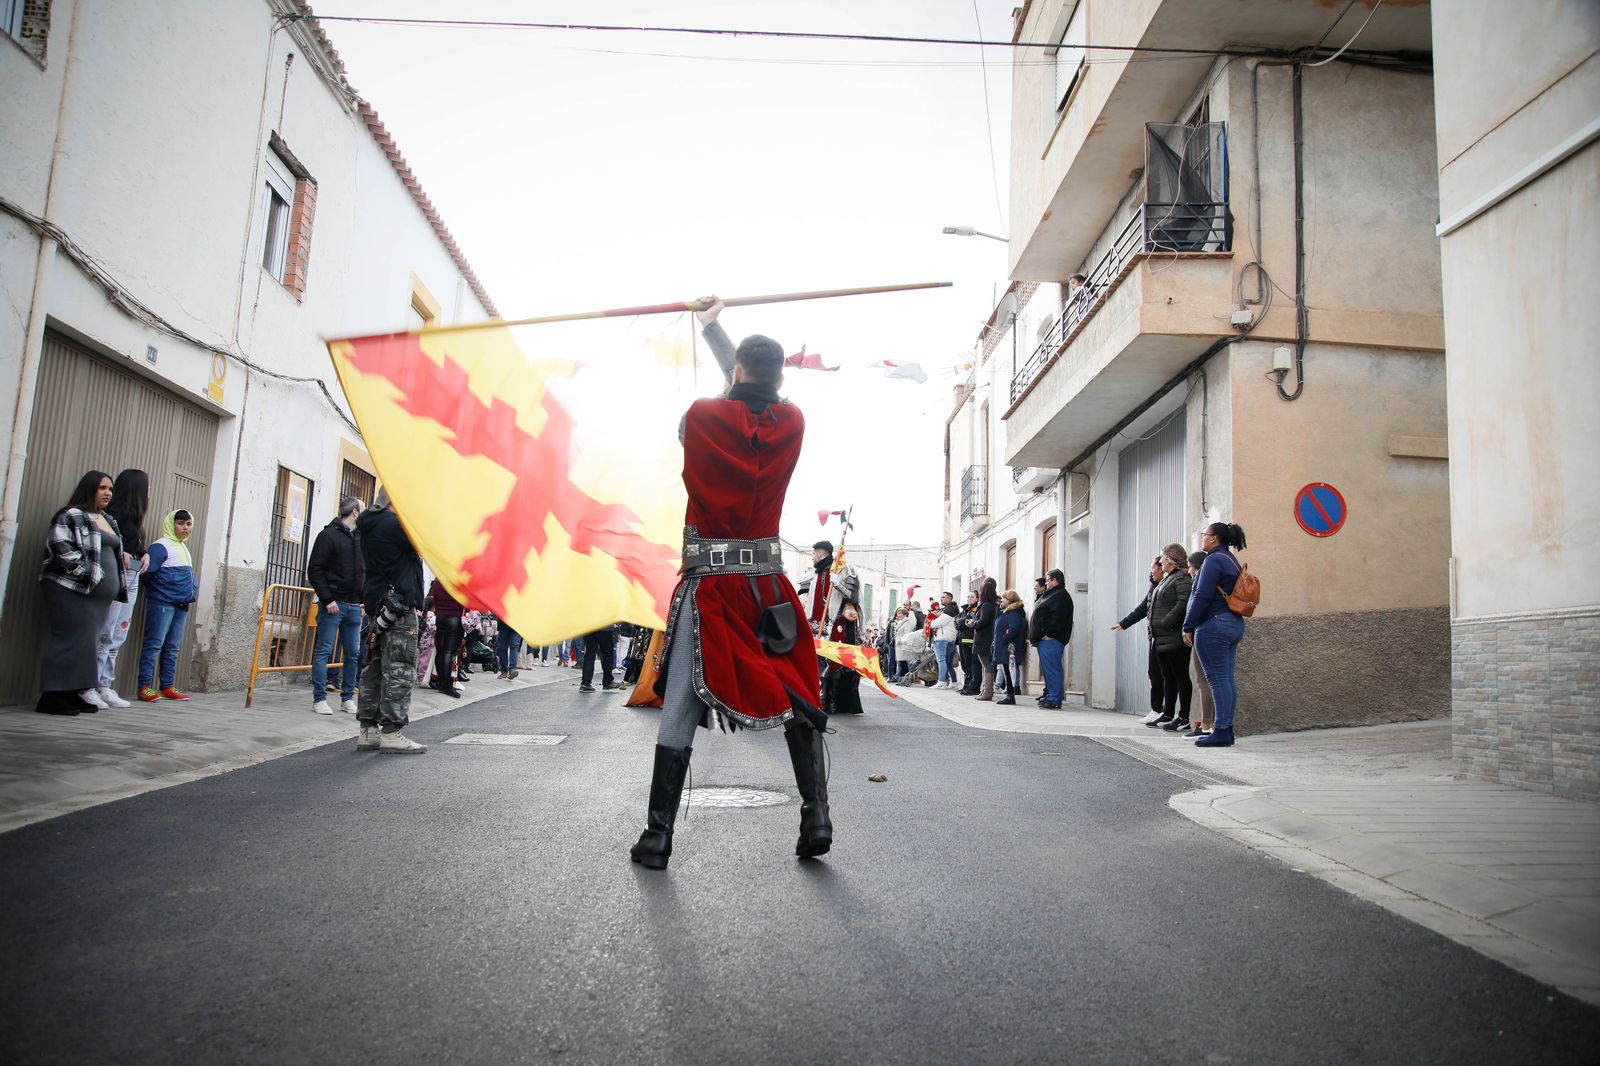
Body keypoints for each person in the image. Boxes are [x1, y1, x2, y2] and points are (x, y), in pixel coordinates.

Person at [629, 296, 827, 871]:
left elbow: (731, 394)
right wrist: (717, 330)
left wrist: (713, 326)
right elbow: (753, 392)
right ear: (781, 378)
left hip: (712, 589)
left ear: (736, 371)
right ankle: (816, 815)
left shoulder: (701, 418)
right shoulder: (793, 421)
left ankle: (658, 837)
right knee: (798, 692)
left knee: (681, 702)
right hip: (768, 588)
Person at [37, 471, 125, 715]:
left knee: (85, 643)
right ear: (89, 488)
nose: (108, 493)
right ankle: (51, 697)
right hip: (69, 588)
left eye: (111, 489)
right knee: (68, 640)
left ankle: (71, 693)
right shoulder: (70, 514)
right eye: (102, 488)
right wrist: (89, 574)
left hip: (95, 597)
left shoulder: (108, 519)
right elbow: (59, 546)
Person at [356, 488, 427, 752]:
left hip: (378, 603)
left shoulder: (369, 523)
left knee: (373, 668)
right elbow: (427, 541)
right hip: (399, 607)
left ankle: (368, 730)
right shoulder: (394, 525)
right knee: (400, 668)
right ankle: (391, 732)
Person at [1183, 522, 1248, 748]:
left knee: (1217, 679)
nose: (1203, 538)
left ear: (1213, 538)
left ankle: (1220, 730)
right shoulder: (1231, 559)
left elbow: (1202, 595)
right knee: (1226, 679)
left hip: (1214, 625)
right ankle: (1226, 729)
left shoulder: (1212, 560)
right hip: (1233, 623)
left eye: (1205, 534)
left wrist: (1188, 626)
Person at [96, 468, 151, 708]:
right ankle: (92, 685)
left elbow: (134, 547)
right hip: (117, 576)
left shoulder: (135, 520)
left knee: (119, 633)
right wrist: (122, 553)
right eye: (147, 488)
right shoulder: (111, 517)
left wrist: (144, 554)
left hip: (133, 575)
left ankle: (105, 685)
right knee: (105, 633)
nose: (149, 492)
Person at [307, 496, 365, 715]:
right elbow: (315, 569)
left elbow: (364, 571)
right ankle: (319, 699)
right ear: (355, 512)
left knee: (353, 653)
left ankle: (347, 698)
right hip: (334, 604)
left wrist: (363, 600)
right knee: (324, 650)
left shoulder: (360, 538)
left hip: (354, 605)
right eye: (363, 510)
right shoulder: (328, 535)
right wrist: (327, 599)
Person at [137, 509, 198, 702]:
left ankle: (166, 686)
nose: (185, 528)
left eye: (188, 524)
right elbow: (146, 573)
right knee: (154, 644)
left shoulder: (183, 548)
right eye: (180, 523)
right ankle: (144, 687)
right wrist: (161, 591)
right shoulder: (160, 546)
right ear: (171, 524)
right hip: (162, 603)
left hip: (181, 604)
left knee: (172, 647)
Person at [1111, 555, 1167, 726]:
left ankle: (1166, 712)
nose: (1151, 571)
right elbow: (1143, 608)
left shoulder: (1168, 586)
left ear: (1161, 568)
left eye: (1153, 567)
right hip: (1155, 636)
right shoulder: (1154, 587)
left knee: (1167, 675)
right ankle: (1156, 709)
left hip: (1166, 636)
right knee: (1153, 673)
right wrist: (1124, 623)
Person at [1149, 544, 1195, 731]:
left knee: (1180, 676)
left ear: (1171, 559)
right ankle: (1168, 713)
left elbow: (1183, 602)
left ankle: (1183, 717)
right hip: (1162, 638)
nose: (1160, 561)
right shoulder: (1168, 578)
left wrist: (1167, 621)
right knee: (1167, 677)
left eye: (1163, 557)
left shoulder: (1182, 578)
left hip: (1174, 637)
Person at [1029, 569, 1074, 709]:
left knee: (1053, 669)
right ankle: (1051, 696)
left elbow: (1058, 618)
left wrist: (1049, 634)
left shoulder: (1060, 595)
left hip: (1051, 639)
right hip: (1045, 640)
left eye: (1048, 580)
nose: (1046, 582)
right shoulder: (1052, 594)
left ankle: (1054, 699)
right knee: (1049, 670)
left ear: (1055, 581)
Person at [1185, 551, 1215, 738]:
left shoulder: (1201, 581)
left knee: (1203, 680)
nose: (1188, 571)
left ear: (1195, 567)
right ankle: (1211, 724)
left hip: (1201, 632)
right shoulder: (1208, 580)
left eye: (1189, 566)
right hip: (1206, 630)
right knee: (1212, 679)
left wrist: (1188, 627)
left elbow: (1197, 605)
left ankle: (1206, 724)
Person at [823, 600, 866, 715]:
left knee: (850, 675)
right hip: (838, 645)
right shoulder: (836, 617)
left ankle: (847, 705)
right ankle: (831, 703)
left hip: (851, 645)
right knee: (835, 673)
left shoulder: (855, 619)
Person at [428, 577, 464, 697]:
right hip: (454, 617)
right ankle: (447, 685)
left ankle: (441, 681)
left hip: (440, 617)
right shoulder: (457, 579)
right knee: (449, 653)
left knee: (441, 651)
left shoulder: (438, 580)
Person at [993, 589, 1029, 705]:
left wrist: (1004, 639)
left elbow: (1013, 629)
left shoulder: (1013, 613)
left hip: (1008, 647)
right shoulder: (1006, 612)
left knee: (1008, 670)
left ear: (1010, 600)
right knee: (1006, 670)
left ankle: (1010, 695)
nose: (1001, 600)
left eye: (1004, 598)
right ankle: (1009, 694)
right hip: (1003, 646)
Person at [967, 578, 999, 701]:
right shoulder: (992, 605)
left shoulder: (986, 605)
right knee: (985, 665)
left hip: (983, 639)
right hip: (986, 638)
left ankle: (987, 691)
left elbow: (983, 621)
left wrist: (972, 623)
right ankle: (985, 690)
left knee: (986, 665)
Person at [580, 622, 617, 692]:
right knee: (607, 654)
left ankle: (585, 683)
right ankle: (608, 682)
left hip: (589, 627)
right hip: (605, 627)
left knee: (589, 654)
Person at [930, 596, 957, 689]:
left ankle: (942, 682)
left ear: (949, 599)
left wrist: (930, 623)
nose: (941, 598)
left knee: (941, 660)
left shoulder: (948, 610)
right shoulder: (953, 609)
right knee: (948, 663)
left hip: (942, 638)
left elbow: (938, 623)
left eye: (944, 597)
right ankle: (954, 682)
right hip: (950, 638)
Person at [956, 591, 979, 694]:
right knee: (964, 665)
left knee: (970, 665)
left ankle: (970, 686)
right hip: (961, 640)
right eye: (968, 596)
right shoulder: (965, 610)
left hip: (969, 640)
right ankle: (966, 685)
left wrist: (961, 622)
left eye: (972, 597)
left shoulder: (976, 610)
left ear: (977, 599)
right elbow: (957, 621)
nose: (969, 598)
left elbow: (967, 621)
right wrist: (962, 622)